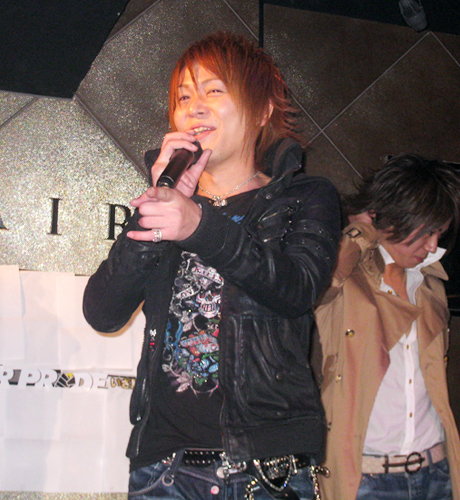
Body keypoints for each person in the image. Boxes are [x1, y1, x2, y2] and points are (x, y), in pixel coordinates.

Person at [83, 32, 340, 500]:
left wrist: (200, 226)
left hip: (265, 470)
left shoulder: (304, 196)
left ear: (262, 110)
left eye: (213, 91)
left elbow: (297, 289)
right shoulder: (169, 205)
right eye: (183, 97)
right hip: (165, 469)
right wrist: (158, 204)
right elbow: (102, 311)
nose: (194, 108)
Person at [315, 154, 460, 500]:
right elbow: (315, 285)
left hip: (435, 470)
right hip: (366, 478)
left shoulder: (430, 285)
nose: (432, 246)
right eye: (426, 232)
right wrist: (360, 230)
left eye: (438, 234)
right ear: (392, 217)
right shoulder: (348, 280)